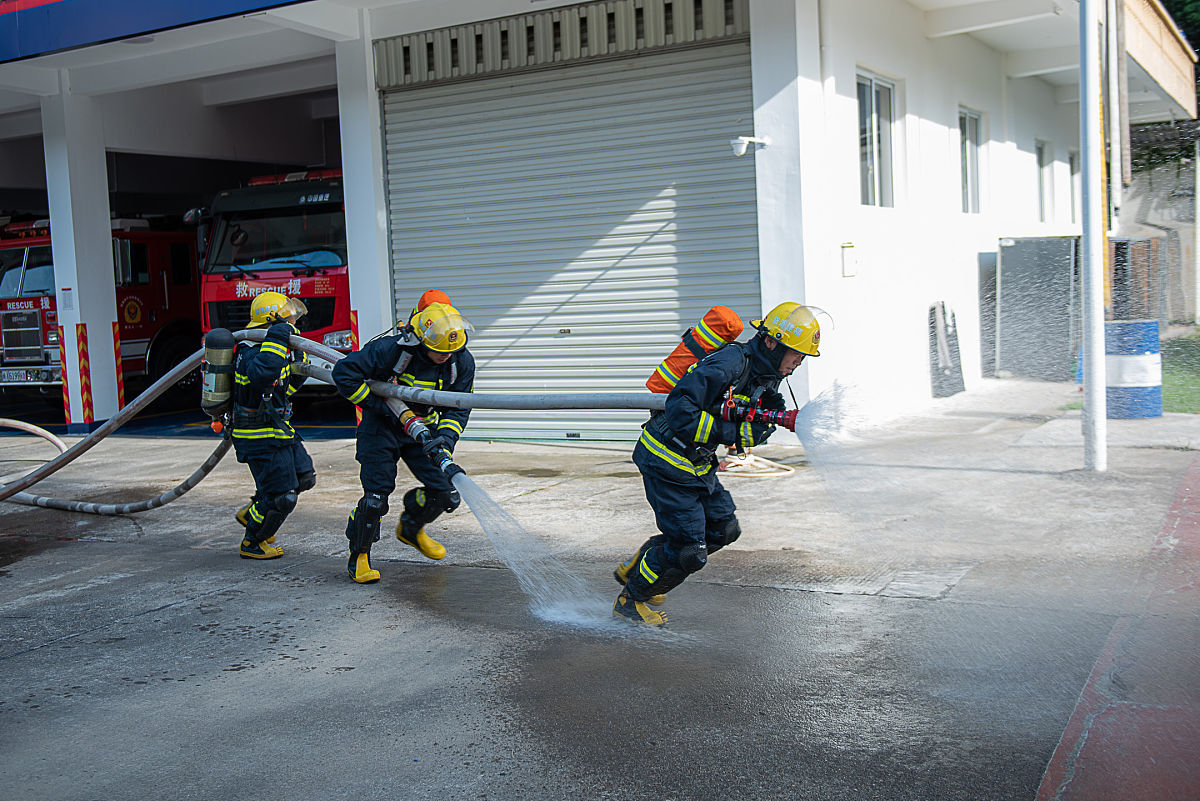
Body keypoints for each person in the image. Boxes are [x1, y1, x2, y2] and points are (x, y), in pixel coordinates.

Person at [612, 302, 822, 625]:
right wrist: (733, 432)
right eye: (796, 355)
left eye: (803, 358)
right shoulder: (730, 363)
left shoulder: (767, 374)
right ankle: (631, 599)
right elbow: (680, 409)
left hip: (697, 465)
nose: (798, 363)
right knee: (689, 550)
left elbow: (760, 414)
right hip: (667, 460)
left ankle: (644, 564)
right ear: (771, 342)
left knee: (723, 529)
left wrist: (771, 421)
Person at [331, 301, 476, 583]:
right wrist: (379, 406)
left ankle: (411, 528)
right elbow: (344, 374)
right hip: (381, 426)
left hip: (422, 429)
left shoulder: (460, 360)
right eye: (439, 352)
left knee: (447, 493)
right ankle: (359, 556)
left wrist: (445, 441)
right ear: (421, 342)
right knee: (375, 500)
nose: (445, 357)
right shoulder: (391, 350)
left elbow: (459, 407)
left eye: (451, 351)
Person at [230, 291, 315, 559]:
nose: (293, 324)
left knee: (304, 477)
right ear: (273, 322)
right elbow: (262, 375)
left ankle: (255, 512)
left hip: (279, 431)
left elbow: (283, 390)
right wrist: (279, 337)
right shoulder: (251, 351)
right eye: (287, 320)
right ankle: (252, 541)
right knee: (283, 497)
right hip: (259, 436)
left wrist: (298, 359)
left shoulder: (271, 350)